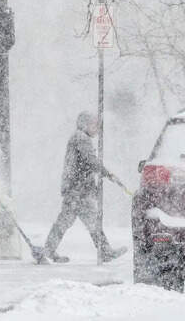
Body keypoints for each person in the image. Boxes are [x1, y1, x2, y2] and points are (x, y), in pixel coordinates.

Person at [36, 112, 128, 264]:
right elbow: (90, 161)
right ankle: (103, 251)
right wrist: (107, 173)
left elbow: (85, 164)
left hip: (77, 189)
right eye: (94, 125)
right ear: (85, 124)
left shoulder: (78, 137)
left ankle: (49, 250)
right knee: (77, 221)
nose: (97, 129)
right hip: (78, 190)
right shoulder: (81, 138)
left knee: (74, 220)